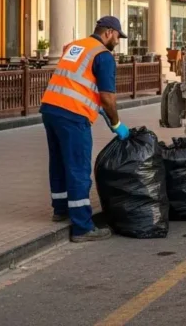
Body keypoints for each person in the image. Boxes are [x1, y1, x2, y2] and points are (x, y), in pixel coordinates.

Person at [39, 16, 130, 242]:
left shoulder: (75, 46)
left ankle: (60, 210)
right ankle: (82, 227)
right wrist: (117, 124)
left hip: (51, 108)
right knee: (78, 168)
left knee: (59, 162)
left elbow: (76, 79)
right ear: (109, 32)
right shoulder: (103, 55)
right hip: (73, 114)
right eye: (118, 36)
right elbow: (108, 97)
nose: (118, 41)